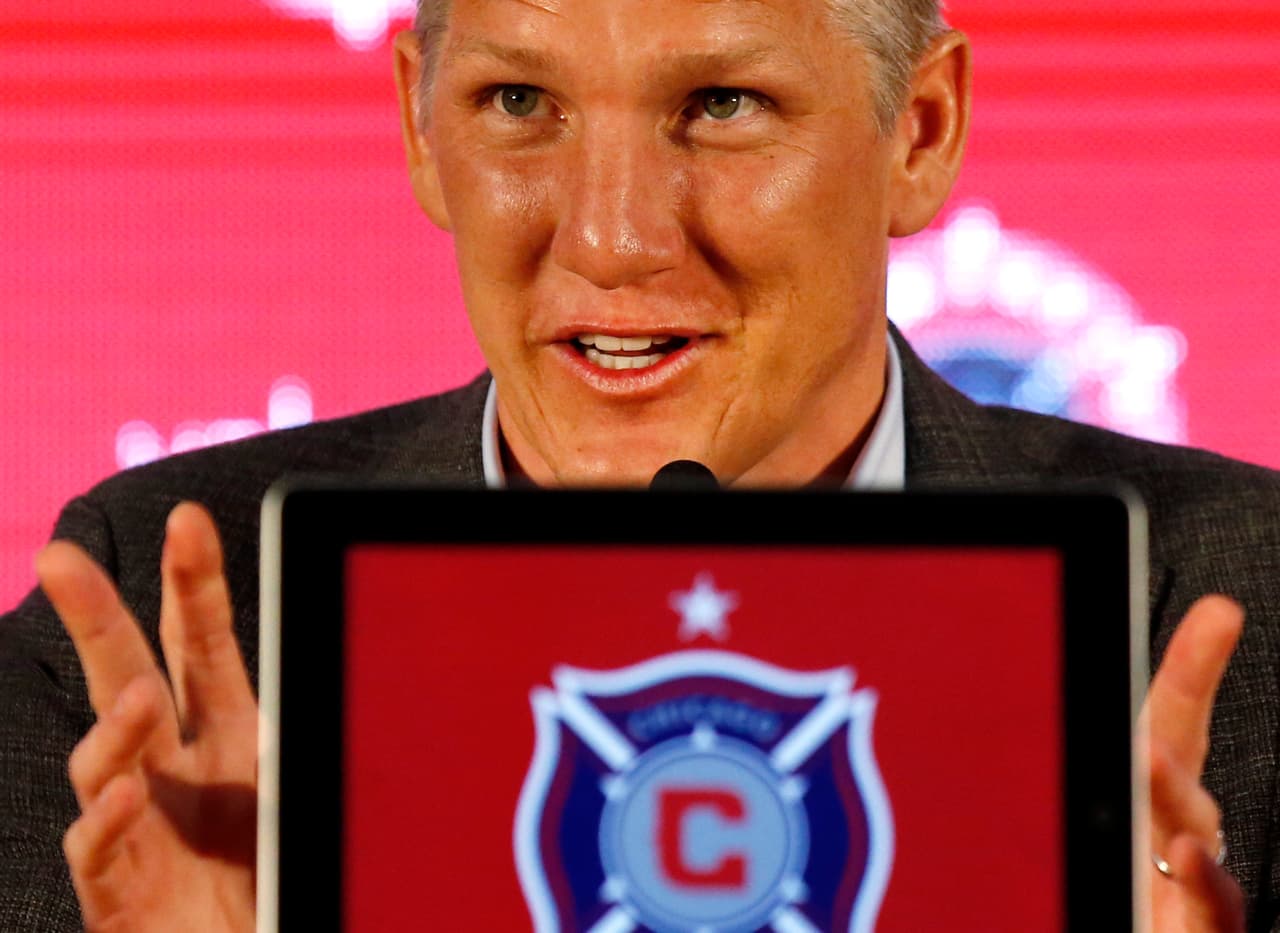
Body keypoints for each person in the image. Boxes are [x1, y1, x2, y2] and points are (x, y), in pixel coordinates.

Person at [1, 0, 1277, 929]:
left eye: (720, 105)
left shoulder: (1245, 606)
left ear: (920, 131)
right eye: (517, 104)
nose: (611, 239)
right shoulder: (161, 620)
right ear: (415, 120)